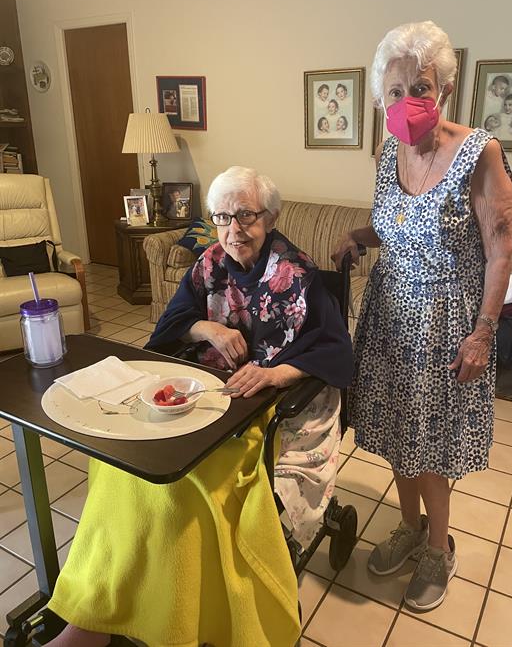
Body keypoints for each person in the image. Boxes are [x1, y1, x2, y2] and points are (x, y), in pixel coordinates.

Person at [45, 167, 353, 647]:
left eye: (246, 216)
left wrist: (274, 373)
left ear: (268, 217)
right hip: (204, 398)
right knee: (121, 467)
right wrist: (208, 329)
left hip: (265, 407)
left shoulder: (300, 277)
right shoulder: (208, 264)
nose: (234, 229)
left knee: (185, 488)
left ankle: (178, 621)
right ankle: (97, 614)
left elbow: (333, 351)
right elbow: (171, 324)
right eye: (223, 217)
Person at [332, 20, 512, 612]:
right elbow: (399, 227)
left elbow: (500, 248)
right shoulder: (388, 151)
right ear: (380, 97)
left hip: (446, 325)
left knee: (432, 447)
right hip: (388, 318)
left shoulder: (479, 152)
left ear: (443, 91)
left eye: (421, 88)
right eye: (394, 91)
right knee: (394, 437)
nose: (407, 102)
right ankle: (408, 530)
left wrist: (484, 330)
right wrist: (358, 235)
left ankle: (439, 547)